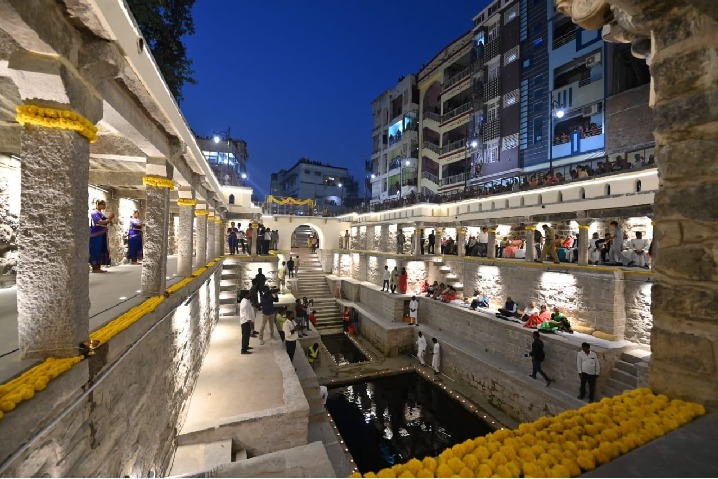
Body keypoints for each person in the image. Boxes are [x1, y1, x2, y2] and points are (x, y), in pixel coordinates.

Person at [89, 200, 114, 273]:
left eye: (104, 204)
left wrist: (110, 219)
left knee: (101, 249)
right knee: (95, 249)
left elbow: (108, 222)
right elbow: (99, 221)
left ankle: (98, 267)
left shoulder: (101, 213)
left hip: (102, 233)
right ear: (98, 205)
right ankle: (94, 267)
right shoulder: (94, 212)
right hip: (97, 233)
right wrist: (109, 218)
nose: (104, 206)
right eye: (103, 204)